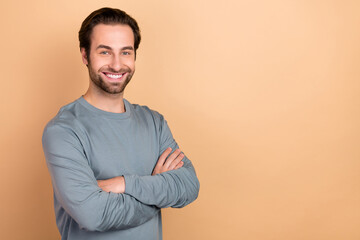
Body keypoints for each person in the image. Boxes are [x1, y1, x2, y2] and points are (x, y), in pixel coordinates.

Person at [42, 7, 200, 240]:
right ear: (85, 55)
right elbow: (93, 215)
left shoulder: (154, 123)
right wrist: (157, 193)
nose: (117, 65)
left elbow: (188, 186)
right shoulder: (63, 131)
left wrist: (125, 184)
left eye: (125, 52)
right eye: (105, 52)